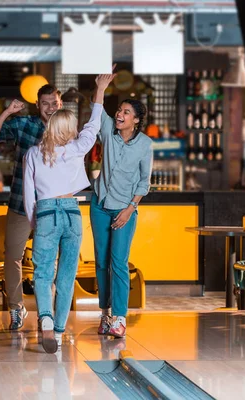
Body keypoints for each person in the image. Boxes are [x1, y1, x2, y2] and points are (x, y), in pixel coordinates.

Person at [23, 104, 102, 353]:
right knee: (67, 276)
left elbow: (28, 196)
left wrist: (36, 224)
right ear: (68, 129)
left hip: (46, 212)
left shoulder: (33, 154)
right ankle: (57, 333)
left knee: (43, 274)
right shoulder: (76, 149)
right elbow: (93, 126)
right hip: (71, 212)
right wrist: (99, 94)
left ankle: (45, 318)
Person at [0, 84, 62, 330]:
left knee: (48, 260)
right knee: (12, 257)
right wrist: (7, 112)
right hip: (20, 203)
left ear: (60, 104)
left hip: (50, 206)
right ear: (38, 105)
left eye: (54, 103)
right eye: (46, 103)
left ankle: (45, 313)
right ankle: (16, 309)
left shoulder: (67, 130)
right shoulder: (25, 124)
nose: (50, 108)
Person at [90, 67, 153, 338]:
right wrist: (101, 87)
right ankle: (105, 314)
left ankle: (119, 317)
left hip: (124, 209)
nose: (120, 114)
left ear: (136, 120)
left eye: (126, 112)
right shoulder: (107, 132)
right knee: (101, 263)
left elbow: (144, 182)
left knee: (118, 262)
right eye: (120, 110)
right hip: (99, 205)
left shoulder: (145, 145)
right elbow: (97, 112)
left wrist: (130, 209)